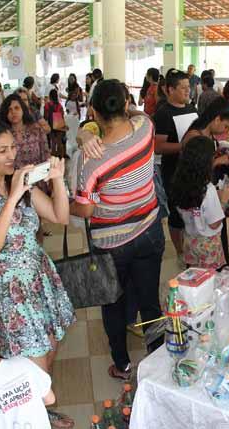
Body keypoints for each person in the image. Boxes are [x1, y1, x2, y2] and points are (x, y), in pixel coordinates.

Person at [0, 119, 74, 427]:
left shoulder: (21, 181)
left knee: (49, 350)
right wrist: (12, 197)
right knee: (33, 367)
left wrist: (58, 181)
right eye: (2, 150)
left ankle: (43, 409)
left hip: (39, 279)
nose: (12, 155)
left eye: (13, 147)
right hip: (13, 295)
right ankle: (34, 416)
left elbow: (59, 215)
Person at [72, 79, 164, 382]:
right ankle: (157, 363)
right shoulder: (145, 127)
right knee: (150, 300)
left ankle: (122, 365)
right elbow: (135, 114)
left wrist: (83, 133)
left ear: (94, 112)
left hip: (110, 243)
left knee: (113, 303)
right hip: (150, 230)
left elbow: (84, 210)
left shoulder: (90, 162)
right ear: (126, 103)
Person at [153, 69, 198, 264]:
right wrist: (183, 146)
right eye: (183, 88)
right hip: (174, 171)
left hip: (193, 169)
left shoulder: (192, 109)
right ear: (170, 90)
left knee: (194, 210)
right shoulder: (163, 114)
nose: (188, 91)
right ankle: (180, 251)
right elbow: (158, 146)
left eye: (189, 87)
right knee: (176, 214)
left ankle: (193, 246)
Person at [171, 136, 229, 270]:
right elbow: (214, 224)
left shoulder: (180, 183)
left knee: (195, 276)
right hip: (208, 246)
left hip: (190, 241)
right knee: (210, 280)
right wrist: (223, 201)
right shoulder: (208, 189)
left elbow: (196, 208)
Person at [1, 94, 51, 172]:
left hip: (38, 177)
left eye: (16, 108)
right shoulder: (4, 135)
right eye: (9, 110)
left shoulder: (36, 130)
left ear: (23, 110)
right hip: (15, 180)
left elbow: (46, 154)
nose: (13, 112)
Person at [44, 89, 67, 158]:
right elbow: (62, 115)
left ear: (50, 96)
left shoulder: (47, 105)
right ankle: (62, 157)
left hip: (51, 124)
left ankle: (54, 158)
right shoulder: (59, 105)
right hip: (59, 122)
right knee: (60, 142)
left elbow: (45, 116)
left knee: (53, 142)